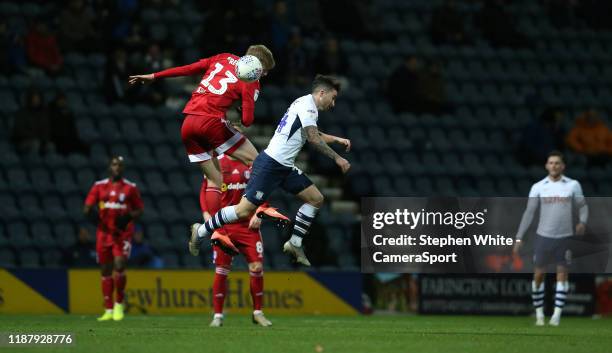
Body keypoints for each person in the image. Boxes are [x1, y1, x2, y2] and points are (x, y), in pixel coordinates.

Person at [189, 75, 351, 266]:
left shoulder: (306, 107)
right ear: (322, 93)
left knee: (316, 199)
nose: (333, 104)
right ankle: (200, 231)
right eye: (332, 98)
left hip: (284, 166)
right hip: (270, 164)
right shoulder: (307, 106)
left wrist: (337, 139)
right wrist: (337, 157)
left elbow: (313, 133)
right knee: (242, 211)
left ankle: (294, 243)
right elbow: (314, 138)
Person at [128, 45, 276, 253]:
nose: (264, 74)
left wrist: (155, 75)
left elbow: (189, 68)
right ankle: (258, 207)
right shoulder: (251, 79)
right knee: (257, 162)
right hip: (211, 122)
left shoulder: (223, 57)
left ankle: (214, 232)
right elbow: (248, 120)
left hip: (188, 123)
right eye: (265, 70)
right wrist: (242, 107)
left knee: (215, 180)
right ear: (258, 65)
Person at [513, 151, 588, 326]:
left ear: (563, 166)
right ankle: (539, 315)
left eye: (557, 163)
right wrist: (519, 237)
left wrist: (582, 222)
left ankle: (556, 316)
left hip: (565, 237)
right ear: (546, 165)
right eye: (551, 163)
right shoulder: (539, 186)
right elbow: (529, 212)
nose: (554, 166)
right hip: (543, 237)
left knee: (562, 274)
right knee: (539, 275)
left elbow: (583, 206)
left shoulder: (572, 185)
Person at [202, 153, 276, 327]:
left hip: (247, 226)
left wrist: (261, 211)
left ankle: (258, 312)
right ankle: (218, 316)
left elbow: (264, 190)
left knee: (257, 267)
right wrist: (208, 215)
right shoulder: (218, 162)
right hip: (224, 226)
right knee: (222, 269)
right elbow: (205, 190)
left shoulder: (253, 162)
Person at [83, 156, 144, 321]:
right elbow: (87, 207)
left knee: (119, 264)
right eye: (114, 164)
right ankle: (108, 309)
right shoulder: (99, 186)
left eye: (120, 165)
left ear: (123, 169)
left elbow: (139, 209)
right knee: (105, 270)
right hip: (103, 234)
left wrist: (128, 217)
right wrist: (93, 216)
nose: (117, 167)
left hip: (122, 233)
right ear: (109, 167)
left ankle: (119, 304)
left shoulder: (130, 188)